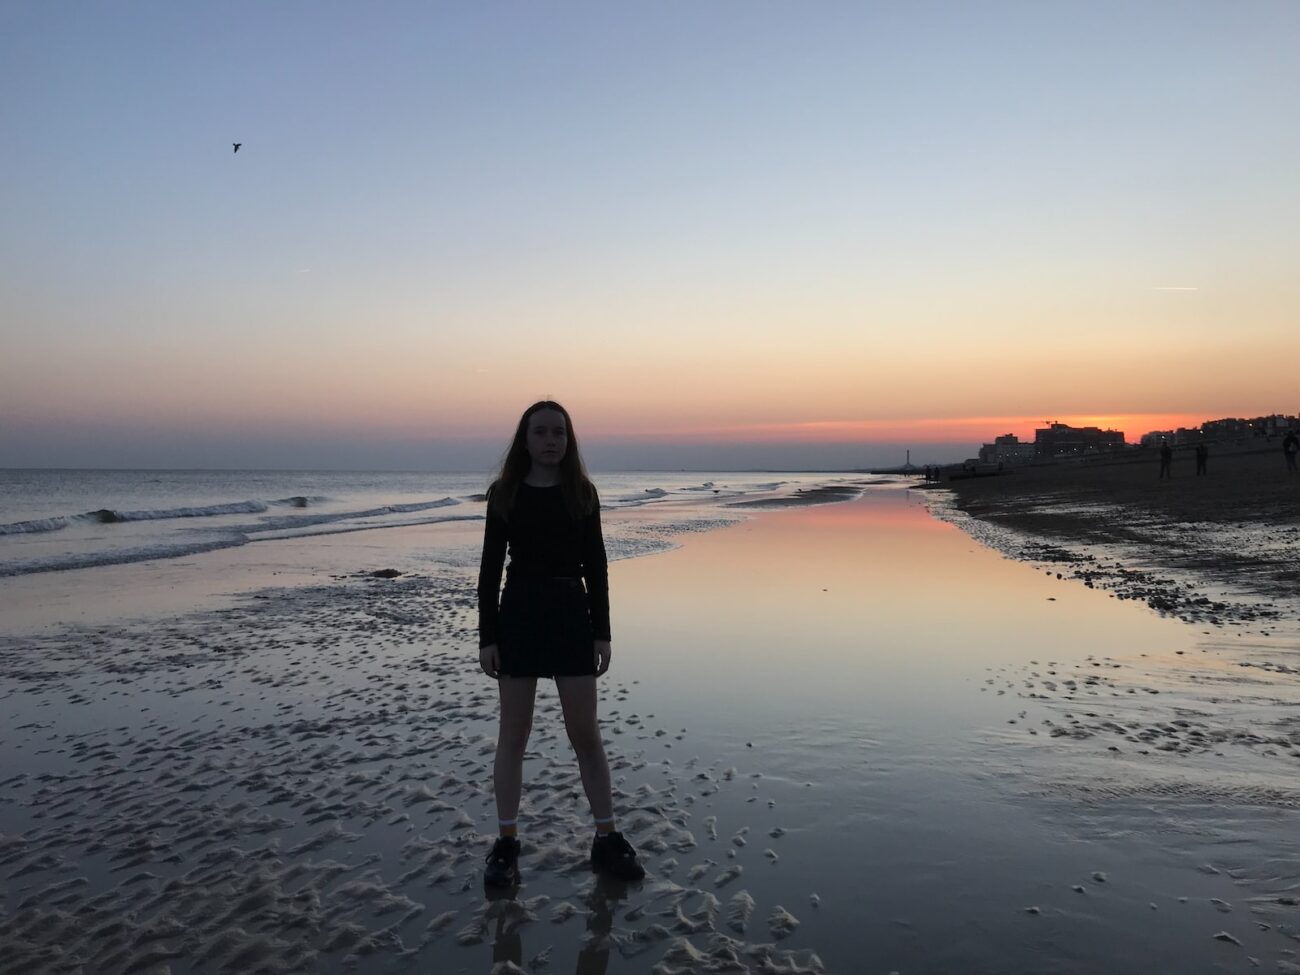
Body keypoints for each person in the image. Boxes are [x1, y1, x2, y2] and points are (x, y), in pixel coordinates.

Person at [477, 400, 646, 889]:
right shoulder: (504, 494)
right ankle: (507, 842)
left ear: (568, 441)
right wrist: (488, 636)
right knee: (514, 734)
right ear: (524, 440)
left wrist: (602, 632)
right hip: (520, 616)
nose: (551, 440)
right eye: (540, 432)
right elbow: (489, 573)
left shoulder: (582, 493)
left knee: (585, 734)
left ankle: (606, 837)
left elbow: (597, 567)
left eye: (559, 433)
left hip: (572, 614)